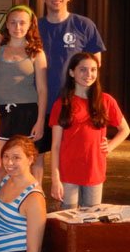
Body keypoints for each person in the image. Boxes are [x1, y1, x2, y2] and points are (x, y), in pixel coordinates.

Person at [38, 0, 106, 165]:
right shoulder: (35, 27)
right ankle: (37, 194)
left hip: (74, 104)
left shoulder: (84, 25)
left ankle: (69, 195)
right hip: (40, 103)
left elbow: (95, 64)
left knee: (72, 157)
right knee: (36, 158)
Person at [49, 53, 129, 209]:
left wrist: (110, 146)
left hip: (94, 171)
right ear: (72, 72)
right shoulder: (62, 104)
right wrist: (55, 178)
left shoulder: (106, 100)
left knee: (90, 220)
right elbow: (56, 146)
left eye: (93, 70)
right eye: (83, 70)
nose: (89, 74)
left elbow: (125, 130)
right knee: (68, 219)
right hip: (68, 173)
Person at [0, 5, 47, 182]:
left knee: (29, 164)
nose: (17, 27)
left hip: (27, 113)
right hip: (0, 113)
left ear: (29, 26)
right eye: (13, 22)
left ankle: (32, 202)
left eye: (22, 23)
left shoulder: (37, 53)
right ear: (7, 24)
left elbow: (43, 89)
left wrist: (40, 121)